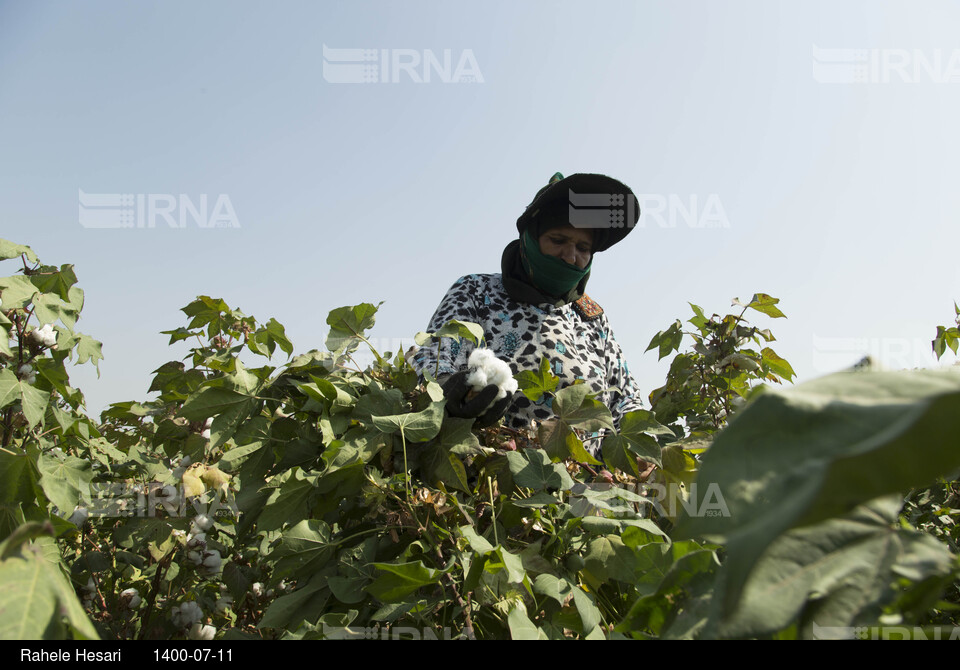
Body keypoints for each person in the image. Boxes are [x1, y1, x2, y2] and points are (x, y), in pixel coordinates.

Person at [413, 172, 645, 442]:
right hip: (494, 476)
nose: (570, 257)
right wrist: (450, 390)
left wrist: (641, 441)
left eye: (583, 247)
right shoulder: (476, 291)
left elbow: (625, 399)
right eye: (558, 240)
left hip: (586, 480)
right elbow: (432, 359)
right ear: (530, 239)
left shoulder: (591, 318)